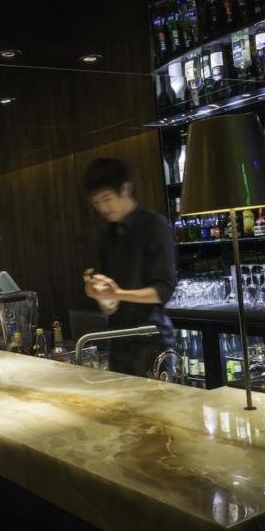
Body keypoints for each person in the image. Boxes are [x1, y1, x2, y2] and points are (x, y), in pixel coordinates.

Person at [82, 157, 177, 378]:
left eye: (107, 199)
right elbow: (110, 306)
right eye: (96, 202)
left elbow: (163, 291)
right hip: (118, 339)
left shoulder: (154, 226)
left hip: (151, 339)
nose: (103, 208)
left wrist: (117, 293)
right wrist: (99, 294)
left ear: (126, 188)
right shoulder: (107, 236)